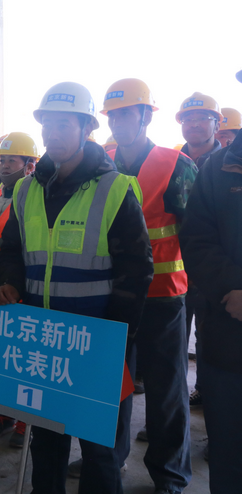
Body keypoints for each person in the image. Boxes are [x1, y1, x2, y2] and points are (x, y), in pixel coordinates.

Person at [0, 82, 153, 494]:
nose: (53, 133)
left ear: (87, 129)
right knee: (46, 441)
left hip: (95, 342)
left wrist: (115, 340)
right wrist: (9, 282)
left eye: (64, 124)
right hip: (44, 341)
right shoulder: (26, 190)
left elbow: (136, 271)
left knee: (99, 450)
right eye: (48, 124)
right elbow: (12, 249)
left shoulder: (115, 189)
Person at [88, 79, 195, 494]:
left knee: (166, 389)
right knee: (111, 385)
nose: (118, 122)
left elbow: (197, 233)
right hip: (112, 295)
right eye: (112, 116)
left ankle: (169, 474)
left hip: (163, 297)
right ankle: (108, 460)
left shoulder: (176, 165)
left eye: (126, 114)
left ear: (146, 116)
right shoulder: (101, 166)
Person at [179, 129, 242, 494]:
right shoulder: (218, 168)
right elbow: (197, 238)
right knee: (229, 452)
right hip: (228, 335)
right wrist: (233, 287)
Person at [0, 132, 39, 448]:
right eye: (2, 160)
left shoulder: (35, 199)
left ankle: (26, 419)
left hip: (19, 288)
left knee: (25, 357)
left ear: (29, 166)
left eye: (11, 160)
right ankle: (3, 412)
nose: (3, 166)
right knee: (0, 357)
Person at [176, 92, 223, 410]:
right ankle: (176, 399)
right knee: (174, 340)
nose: (193, 124)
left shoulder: (229, 165)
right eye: (188, 119)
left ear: (217, 124)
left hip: (211, 269)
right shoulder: (170, 163)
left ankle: (207, 392)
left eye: (201, 118)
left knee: (211, 338)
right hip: (173, 271)